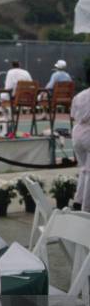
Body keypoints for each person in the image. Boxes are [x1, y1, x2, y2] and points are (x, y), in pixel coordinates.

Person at [71, 69, 90, 212]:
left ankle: (78, 200)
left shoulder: (79, 96)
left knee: (83, 169)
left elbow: (73, 115)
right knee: (88, 172)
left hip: (77, 132)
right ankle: (86, 207)